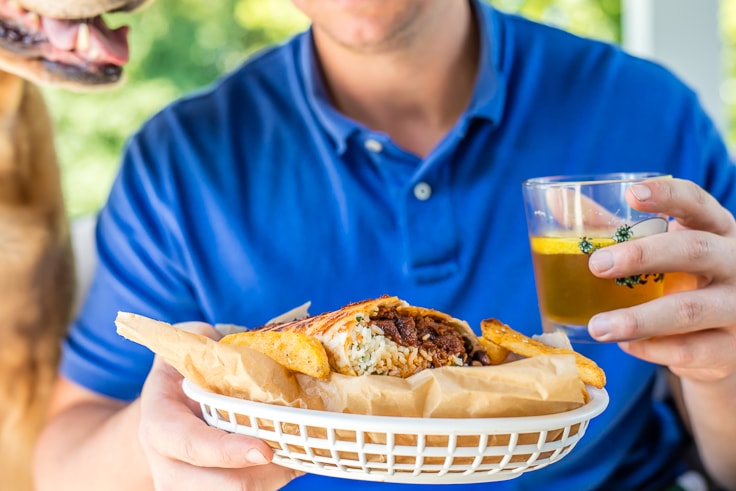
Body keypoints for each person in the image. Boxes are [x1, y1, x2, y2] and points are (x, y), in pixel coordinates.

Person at [34, 0, 736, 490]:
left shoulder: (650, 118)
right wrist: (155, 442)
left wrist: (725, 370)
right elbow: (61, 464)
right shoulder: (182, 164)